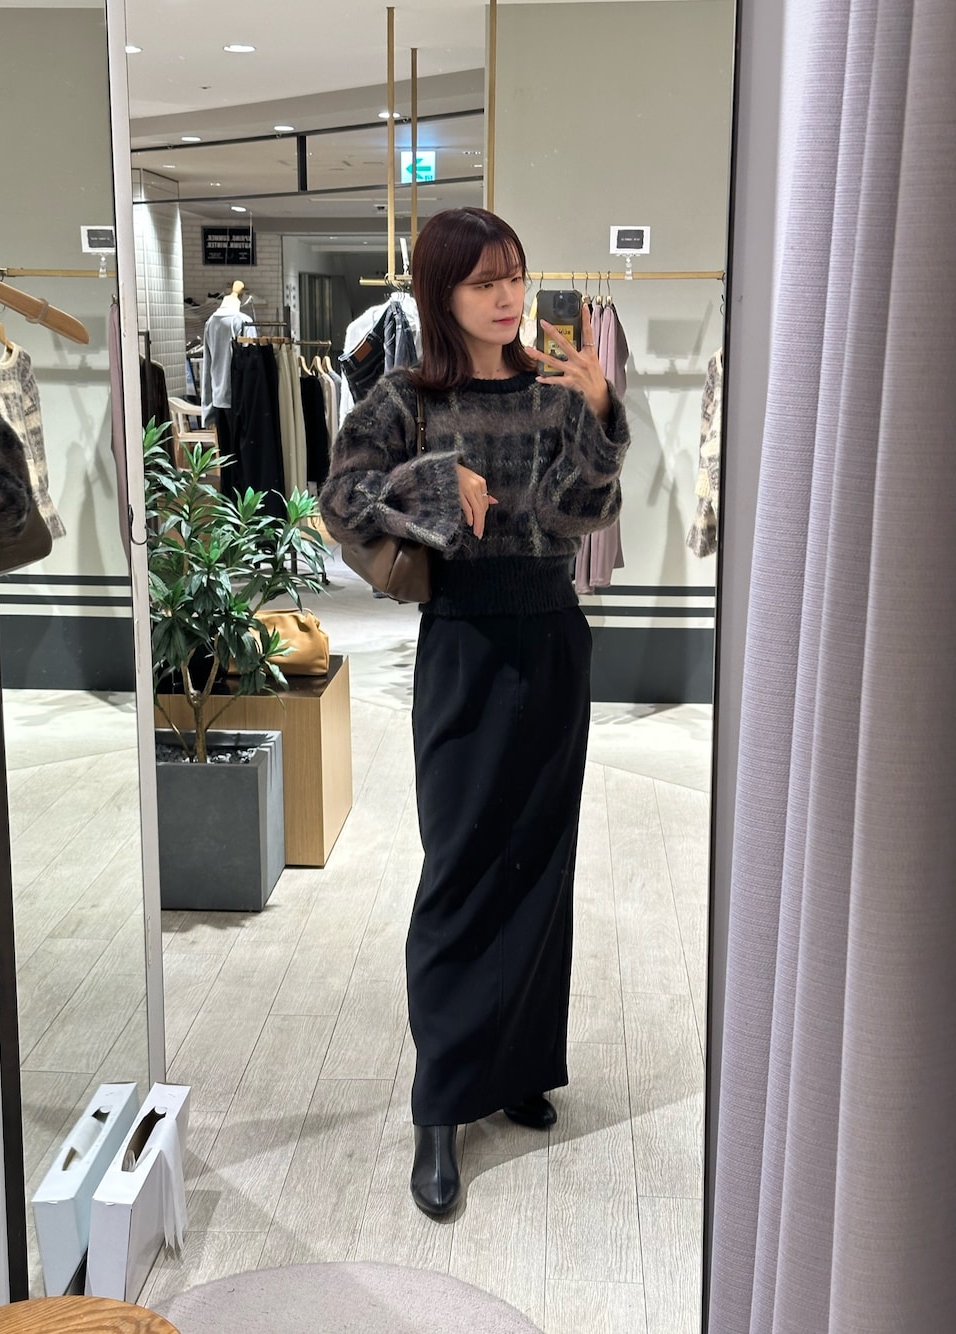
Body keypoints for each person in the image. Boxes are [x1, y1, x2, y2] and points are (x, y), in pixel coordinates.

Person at [319, 207, 630, 1217]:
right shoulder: (406, 395)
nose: (506, 296)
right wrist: (435, 486)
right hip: (462, 639)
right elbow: (341, 498)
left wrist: (600, 415)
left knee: (540, 859)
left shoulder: (554, 388)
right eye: (483, 280)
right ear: (440, 292)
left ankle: (520, 1066)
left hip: (552, 633)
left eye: (515, 276)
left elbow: (582, 514)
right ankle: (442, 1101)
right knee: (458, 868)